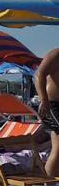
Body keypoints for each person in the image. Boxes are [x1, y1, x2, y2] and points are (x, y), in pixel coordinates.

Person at [35, 47, 59, 177]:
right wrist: (44, 100)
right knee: (57, 149)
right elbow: (39, 74)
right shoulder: (56, 54)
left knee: (57, 149)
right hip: (52, 105)